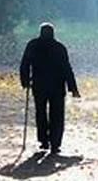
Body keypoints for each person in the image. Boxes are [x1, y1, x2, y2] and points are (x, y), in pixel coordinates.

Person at [19, 22, 80, 154]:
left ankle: (44, 140)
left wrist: (25, 81)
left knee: (40, 113)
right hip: (57, 86)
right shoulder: (59, 47)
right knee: (57, 115)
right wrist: (73, 88)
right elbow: (67, 69)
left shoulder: (33, 45)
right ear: (53, 33)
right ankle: (55, 143)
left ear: (40, 32)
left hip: (39, 85)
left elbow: (25, 64)